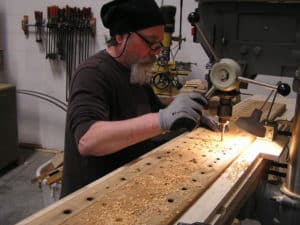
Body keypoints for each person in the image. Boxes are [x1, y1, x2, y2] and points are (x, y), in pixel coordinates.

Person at [61, 0, 217, 198]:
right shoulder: (92, 74)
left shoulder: (137, 72)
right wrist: (163, 119)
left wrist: (189, 115)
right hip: (90, 201)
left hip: (126, 191)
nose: (158, 50)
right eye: (151, 41)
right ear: (120, 36)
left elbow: (154, 115)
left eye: (159, 42)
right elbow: (88, 140)